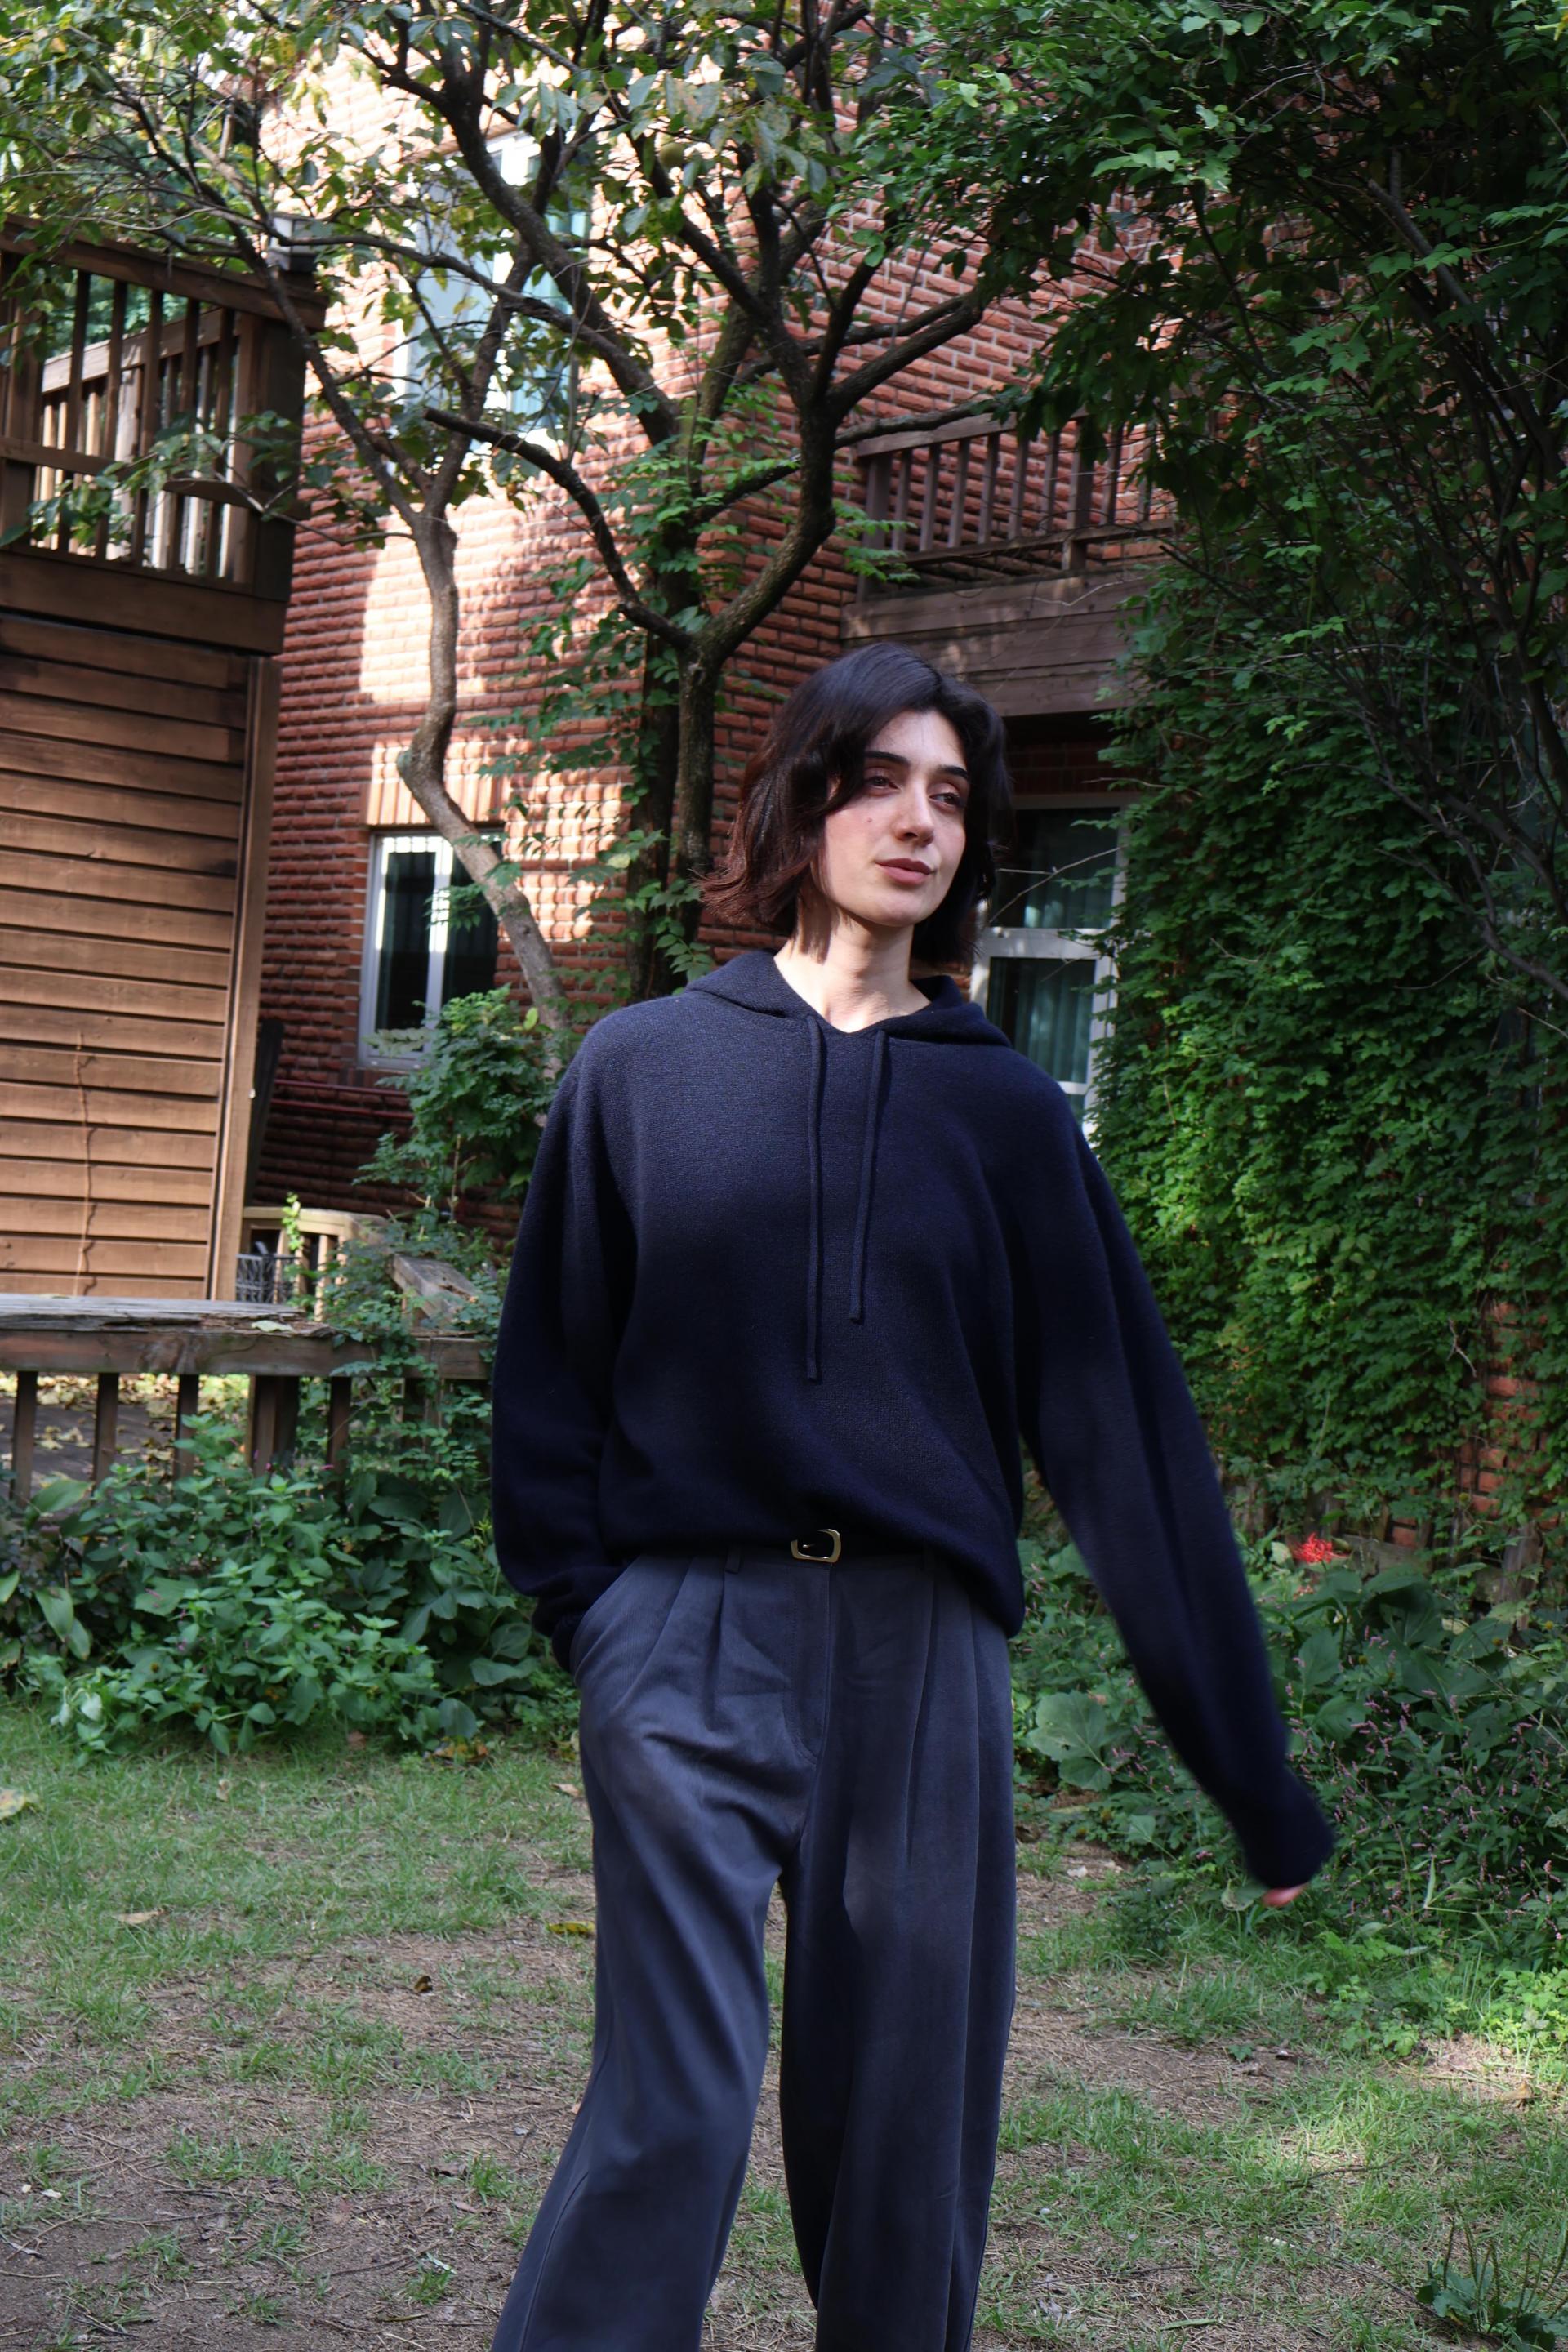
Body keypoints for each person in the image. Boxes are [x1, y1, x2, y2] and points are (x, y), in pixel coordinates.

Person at [488, 642, 1334, 2352]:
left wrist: (1253, 1773)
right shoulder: (642, 1069)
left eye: (951, 795)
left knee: (904, 2139)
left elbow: (1126, 1449)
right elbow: (552, 1374)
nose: (917, 822)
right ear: (799, 806)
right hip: (687, 1638)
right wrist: (602, 1622)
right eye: (877, 780)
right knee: (672, 2104)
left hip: (924, 1658)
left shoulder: (1008, 1115)